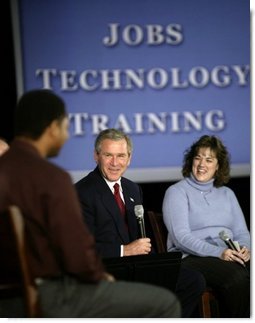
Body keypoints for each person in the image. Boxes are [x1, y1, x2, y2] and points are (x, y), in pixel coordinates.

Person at [0, 89, 181, 318]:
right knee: (165, 302)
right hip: (51, 295)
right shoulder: (51, 178)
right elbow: (76, 254)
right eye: (65, 127)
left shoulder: (5, 170)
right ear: (52, 127)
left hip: (8, 299)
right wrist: (100, 276)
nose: (66, 136)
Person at [75, 128, 206, 318]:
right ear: (96, 156)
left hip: (138, 267)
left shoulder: (132, 189)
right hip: (108, 271)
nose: (115, 163)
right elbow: (81, 250)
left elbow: (139, 239)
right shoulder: (82, 192)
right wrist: (124, 250)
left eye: (121, 156)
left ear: (129, 158)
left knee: (193, 280)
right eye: (108, 155)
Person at [162, 135, 250, 318]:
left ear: (218, 166)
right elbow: (181, 237)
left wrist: (245, 249)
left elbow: (242, 233)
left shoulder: (227, 194)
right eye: (198, 157)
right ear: (191, 161)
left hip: (228, 254)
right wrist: (219, 252)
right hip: (190, 258)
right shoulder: (177, 192)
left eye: (209, 159)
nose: (202, 164)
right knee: (237, 277)